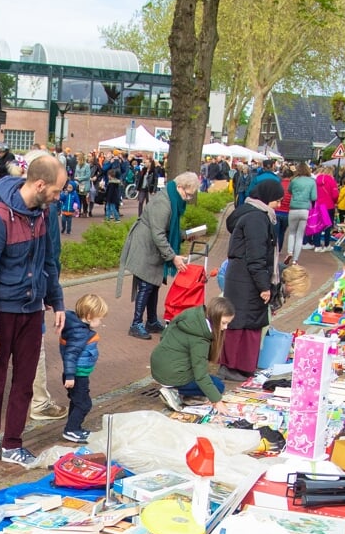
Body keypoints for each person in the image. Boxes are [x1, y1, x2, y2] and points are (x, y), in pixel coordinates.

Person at [0, 153, 66, 467]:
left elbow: (48, 262)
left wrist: (57, 302)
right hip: (1, 310)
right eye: (55, 191)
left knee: (25, 380)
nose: (58, 196)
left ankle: (13, 441)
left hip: (31, 309)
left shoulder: (42, 214)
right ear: (40, 185)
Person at [219, 174, 280, 378]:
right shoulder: (257, 219)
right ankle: (233, 366)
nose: (279, 205)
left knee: (243, 322)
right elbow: (256, 255)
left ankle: (235, 365)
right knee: (243, 323)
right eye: (277, 200)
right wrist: (264, 286)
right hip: (247, 279)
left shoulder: (252, 214)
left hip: (241, 277)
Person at [119, 169, 190, 340]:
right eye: (188, 194)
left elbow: (166, 229)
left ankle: (151, 320)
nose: (188, 198)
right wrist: (173, 256)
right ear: (180, 187)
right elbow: (158, 234)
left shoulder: (171, 199)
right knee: (146, 283)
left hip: (153, 245)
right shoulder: (164, 203)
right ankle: (136, 324)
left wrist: (184, 234)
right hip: (146, 245)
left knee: (154, 283)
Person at [152, 296, 232, 410]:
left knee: (209, 381)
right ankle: (174, 391)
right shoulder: (200, 339)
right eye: (224, 323)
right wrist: (217, 400)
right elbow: (201, 376)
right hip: (171, 374)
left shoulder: (192, 313)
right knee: (218, 386)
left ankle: (182, 392)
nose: (225, 327)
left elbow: (165, 333)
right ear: (215, 317)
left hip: (158, 364)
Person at [58, 294, 106, 444]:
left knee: (77, 401)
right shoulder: (79, 334)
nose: (101, 320)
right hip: (77, 375)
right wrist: (71, 376)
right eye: (100, 318)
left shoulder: (77, 328)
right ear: (90, 316)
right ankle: (71, 429)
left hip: (78, 374)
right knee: (84, 404)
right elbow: (71, 355)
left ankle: (74, 427)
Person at [286, 162, 317, 263]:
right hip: (305, 209)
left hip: (294, 208)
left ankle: (289, 252)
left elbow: (289, 191)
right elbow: (314, 197)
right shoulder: (312, 182)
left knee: (291, 233)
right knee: (300, 236)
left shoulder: (294, 180)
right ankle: (295, 259)